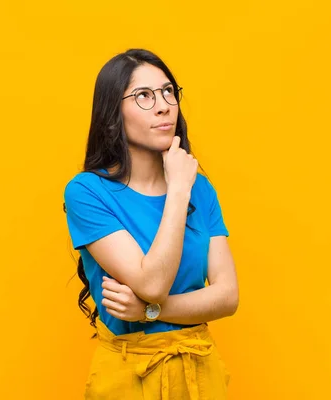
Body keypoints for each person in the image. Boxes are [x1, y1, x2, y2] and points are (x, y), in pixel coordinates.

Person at [63, 48, 239, 400]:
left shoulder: (199, 189)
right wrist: (177, 191)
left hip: (200, 373)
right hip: (128, 377)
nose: (163, 106)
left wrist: (148, 311)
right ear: (113, 115)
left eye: (168, 92)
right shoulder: (86, 192)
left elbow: (227, 296)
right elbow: (153, 281)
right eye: (143, 95)